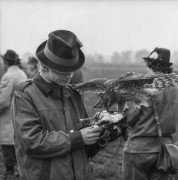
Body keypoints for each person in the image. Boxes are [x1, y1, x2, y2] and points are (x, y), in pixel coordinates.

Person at [11, 30, 107, 180]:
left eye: (71, 70)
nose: (69, 76)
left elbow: (87, 144)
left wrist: (106, 132)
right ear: (44, 66)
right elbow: (31, 142)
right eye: (63, 71)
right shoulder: (24, 94)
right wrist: (77, 138)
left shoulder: (73, 94)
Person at [122, 47, 178, 180]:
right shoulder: (176, 89)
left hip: (138, 150)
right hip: (164, 151)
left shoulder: (141, 87)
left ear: (150, 65)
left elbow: (130, 119)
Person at [0, 50, 27, 179]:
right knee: (17, 145)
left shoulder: (8, 77)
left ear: (5, 61)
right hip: (21, 116)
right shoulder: (22, 73)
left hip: (8, 118)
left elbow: (3, 102)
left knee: (7, 145)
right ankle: (18, 172)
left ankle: (11, 173)